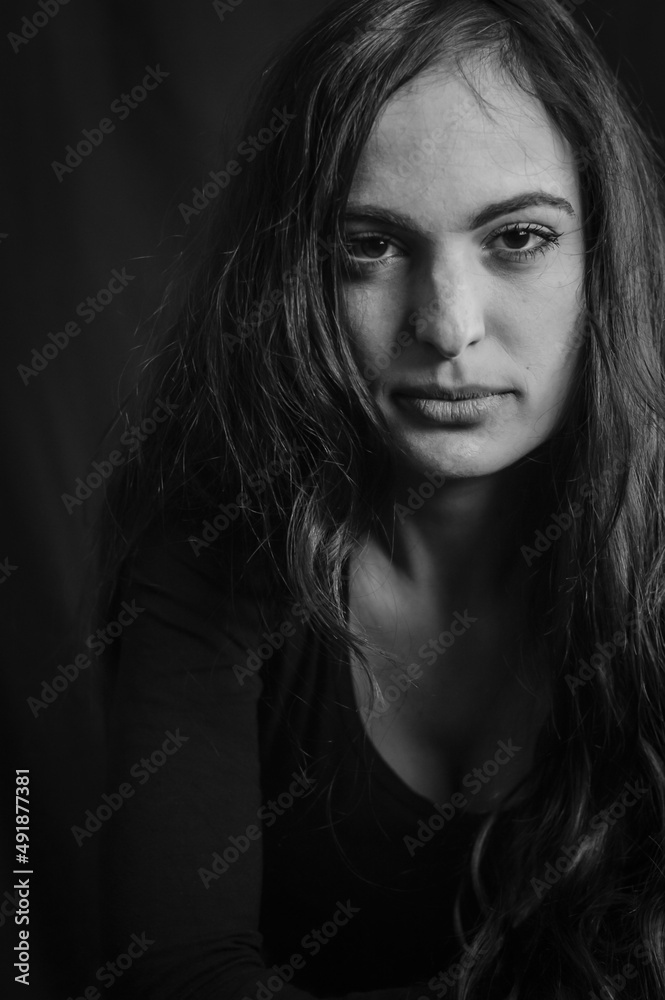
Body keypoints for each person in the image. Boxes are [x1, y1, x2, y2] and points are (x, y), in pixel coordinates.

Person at [97, 0, 665, 997]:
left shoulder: (652, 540)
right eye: (370, 246)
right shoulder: (210, 543)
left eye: (517, 238)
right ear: (295, 274)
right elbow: (176, 975)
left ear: (600, 258)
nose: (446, 327)